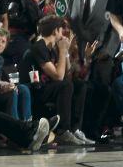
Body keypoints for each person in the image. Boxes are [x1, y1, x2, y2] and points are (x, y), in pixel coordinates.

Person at [19, 16, 88, 145]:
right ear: (56, 30)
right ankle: (63, 131)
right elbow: (58, 77)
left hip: (48, 88)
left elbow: (67, 74)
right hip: (35, 92)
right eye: (61, 30)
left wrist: (65, 52)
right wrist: (62, 51)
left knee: (80, 85)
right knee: (65, 85)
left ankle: (75, 129)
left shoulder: (51, 48)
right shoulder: (38, 47)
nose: (62, 34)